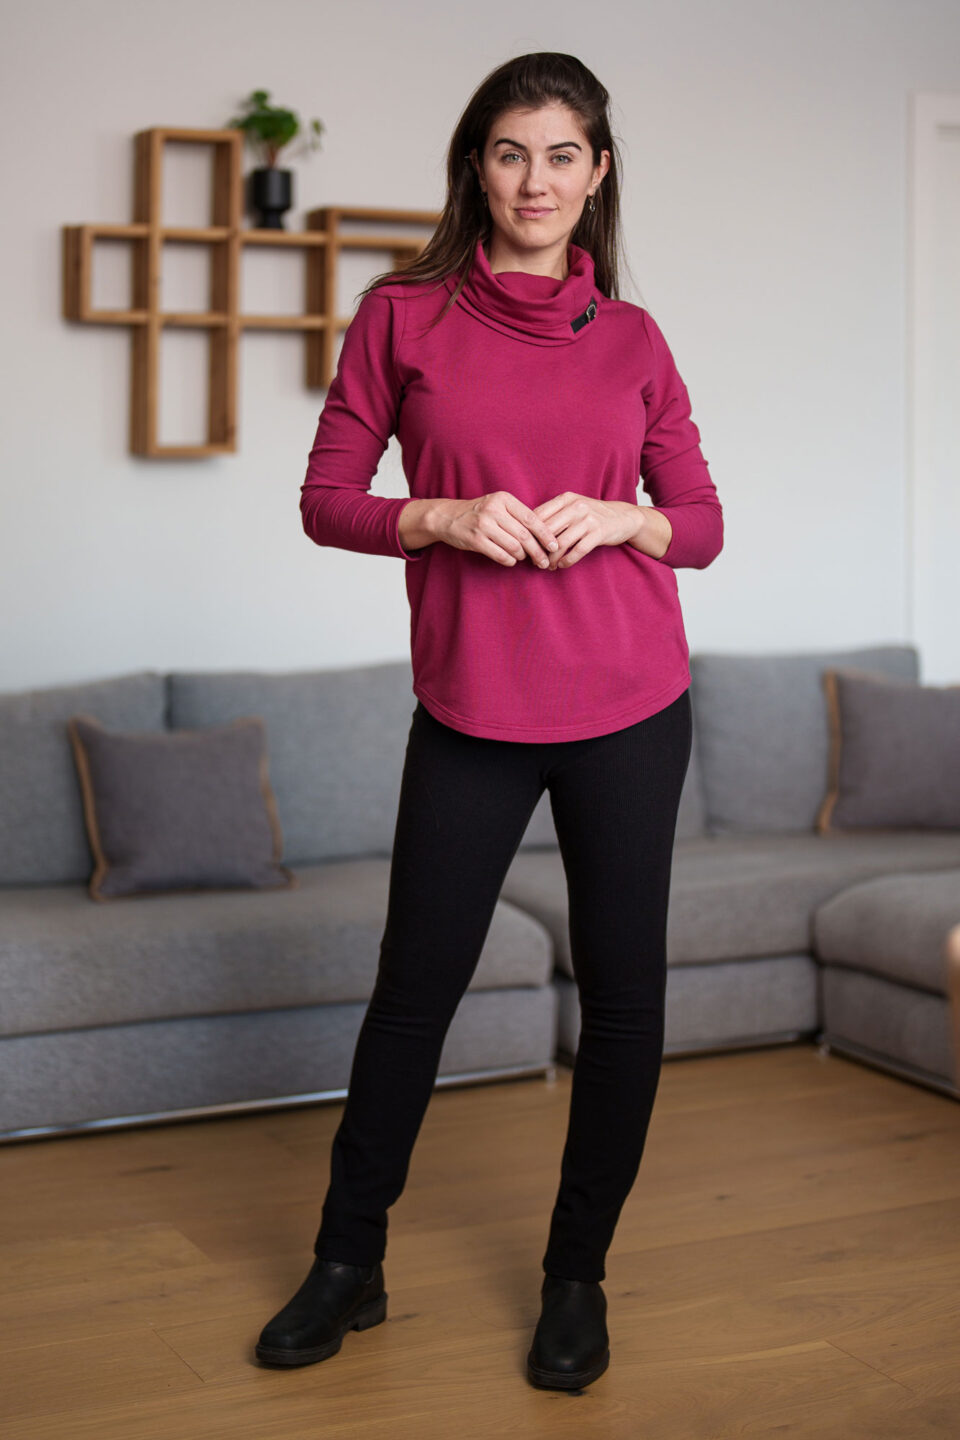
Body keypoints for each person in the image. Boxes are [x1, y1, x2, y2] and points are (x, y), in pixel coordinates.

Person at [255, 50, 723, 1392]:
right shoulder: (403, 318)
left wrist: (627, 514)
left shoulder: (634, 341)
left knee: (625, 998)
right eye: (511, 152)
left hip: (634, 705)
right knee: (417, 992)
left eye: (562, 154)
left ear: (598, 175)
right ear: (476, 166)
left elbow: (700, 525)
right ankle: (351, 1263)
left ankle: (577, 1278)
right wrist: (441, 516)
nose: (536, 179)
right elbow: (326, 495)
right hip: (473, 707)